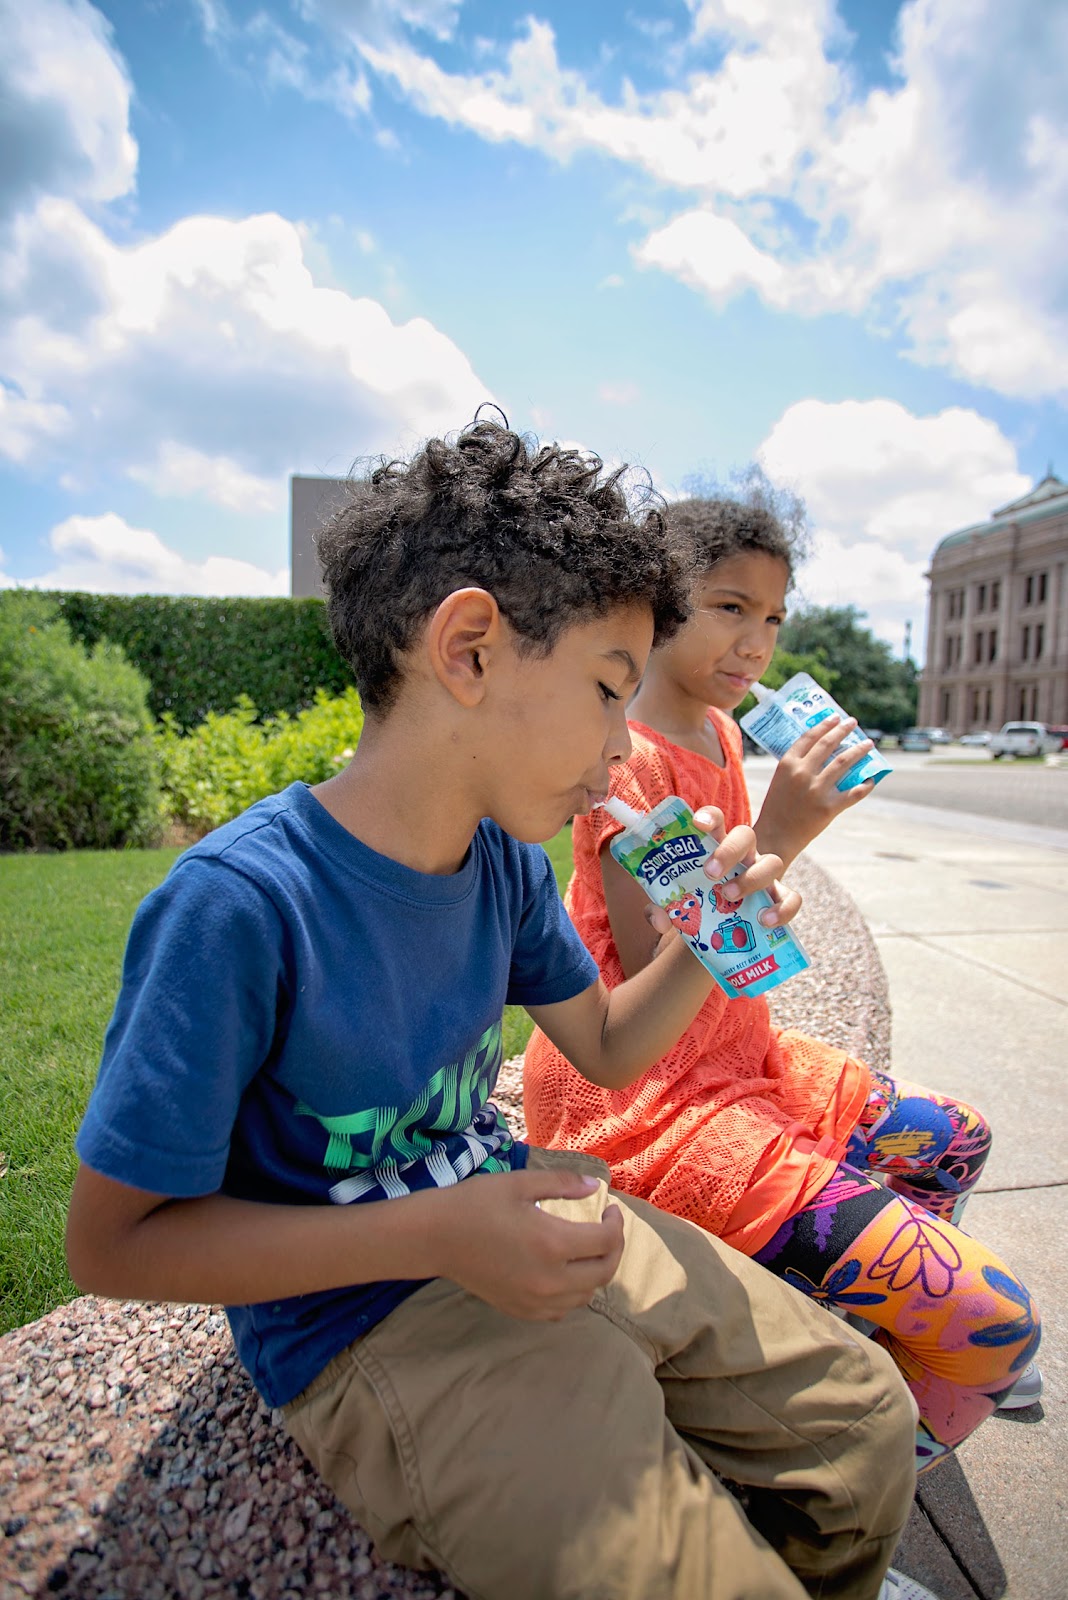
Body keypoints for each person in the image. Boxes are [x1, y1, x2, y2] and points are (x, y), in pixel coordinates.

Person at [65, 421, 929, 1600]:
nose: (623, 745)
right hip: (369, 1323)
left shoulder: (504, 862)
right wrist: (439, 1233)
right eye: (609, 689)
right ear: (468, 649)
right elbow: (110, 1244)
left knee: (867, 1417)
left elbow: (609, 1047)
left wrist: (707, 937)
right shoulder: (239, 907)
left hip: (528, 1223)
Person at [524, 495, 1042, 1476]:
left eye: (772, 616)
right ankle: (845, 1484)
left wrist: (779, 833)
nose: (756, 642)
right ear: (658, 605)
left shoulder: (722, 734)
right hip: (651, 1093)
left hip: (738, 1055)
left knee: (957, 1140)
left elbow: (743, 941)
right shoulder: (625, 768)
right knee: (997, 1327)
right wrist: (782, 835)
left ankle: (865, 1339)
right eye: (729, 607)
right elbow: (658, 968)